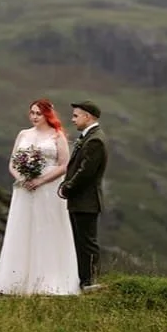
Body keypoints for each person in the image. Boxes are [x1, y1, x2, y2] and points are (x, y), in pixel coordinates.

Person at [0, 98, 80, 295]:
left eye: (38, 113)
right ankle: (17, 279)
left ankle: (49, 279)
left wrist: (41, 181)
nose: (34, 117)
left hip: (48, 189)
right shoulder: (23, 134)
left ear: (47, 114)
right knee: (23, 227)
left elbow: (64, 165)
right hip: (24, 188)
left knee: (46, 228)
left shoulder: (57, 136)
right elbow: (13, 163)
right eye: (32, 113)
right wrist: (21, 178)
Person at [58, 100, 108, 291]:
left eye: (76, 116)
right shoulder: (89, 137)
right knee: (80, 241)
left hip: (86, 200)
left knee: (87, 242)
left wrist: (68, 187)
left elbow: (86, 171)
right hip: (81, 200)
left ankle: (90, 280)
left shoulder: (95, 140)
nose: (73, 119)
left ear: (88, 117)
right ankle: (84, 279)